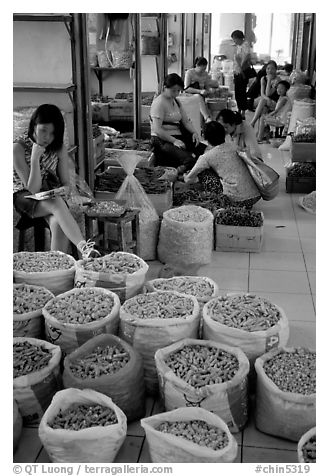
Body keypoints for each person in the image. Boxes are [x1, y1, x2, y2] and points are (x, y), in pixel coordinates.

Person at [13, 104, 100, 258]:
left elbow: (66, 183)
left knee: (57, 222)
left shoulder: (58, 148)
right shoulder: (18, 148)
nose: (47, 137)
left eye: (52, 133)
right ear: (33, 126)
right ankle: (84, 248)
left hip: (48, 196)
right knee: (57, 203)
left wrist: (64, 189)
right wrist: (35, 159)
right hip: (23, 197)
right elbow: (32, 189)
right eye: (43, 130)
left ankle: (55, 269)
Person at [183, 121, 261, 209]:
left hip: (237, 200)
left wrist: (186, 177)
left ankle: (219, 202)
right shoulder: (234, 146)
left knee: (204, 172)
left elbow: (188, 179)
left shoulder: (207, 157)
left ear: (205, 137)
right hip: (255, 196)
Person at [150, 73, 206, 173]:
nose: (176, 93)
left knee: (204, 151)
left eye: (178, 91)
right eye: (173, 91)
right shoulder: (159, 103)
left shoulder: (176, 101)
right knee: (190, 160)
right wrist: (174, 141)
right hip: (162, 140)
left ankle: (183, 170)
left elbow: (185, 121)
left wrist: (194, 133)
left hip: (178, 136)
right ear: (165, 87)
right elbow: (157, 129)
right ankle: (180, 172)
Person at [184, 56, 217, 122]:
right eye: (202, 69)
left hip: (201, 96)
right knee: (198, 97)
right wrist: (199, 91)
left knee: (206, 104)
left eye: (204, 69)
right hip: (190, 96)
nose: (203, 71)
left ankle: (208, 123)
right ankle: (206, 118)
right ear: (196, 65)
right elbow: (186, 88)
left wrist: (210, 92)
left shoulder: (205, 74)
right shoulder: (189, 73)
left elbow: (207, 87)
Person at [231, 30, 255, 119]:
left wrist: (240, 68)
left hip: (242, 72)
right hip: (238, 72)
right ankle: (240, 109)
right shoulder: (240, 46)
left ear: (239, 38)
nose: (234, 42)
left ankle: (243, 111)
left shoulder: (245, 45)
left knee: (241, 92)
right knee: (238, 92)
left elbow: (245, 58)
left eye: (235, 39)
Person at [249, 60, 280, 129]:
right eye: (268, 68)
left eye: (272, 68)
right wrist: (267, 99)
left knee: (263, 101)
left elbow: (268, 93)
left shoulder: (277, 80)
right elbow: (262, 93)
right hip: (266, 101)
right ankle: (260, 135)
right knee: (263, 110)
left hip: (275, 103)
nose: (270, 70)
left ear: (275, 70)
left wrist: (269, 80)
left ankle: (253, 122)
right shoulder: (263, 78)